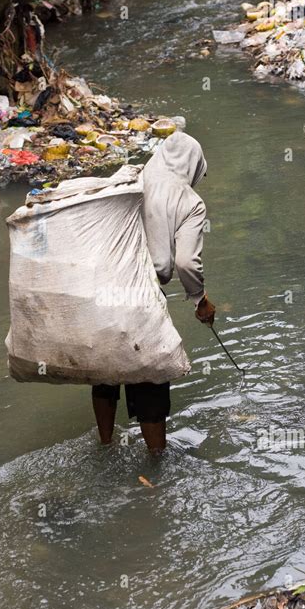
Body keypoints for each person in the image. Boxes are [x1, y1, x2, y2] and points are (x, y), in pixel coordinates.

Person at [91, 131, 216, 455]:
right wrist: (200, 301)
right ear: (193, 165)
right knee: (149, 381)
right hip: (141, 296)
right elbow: (187, 262)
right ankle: (156, 469)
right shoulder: (190, 202)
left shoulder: (130, 179)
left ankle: (105, 446)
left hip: (102, 291)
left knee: (105, 372)